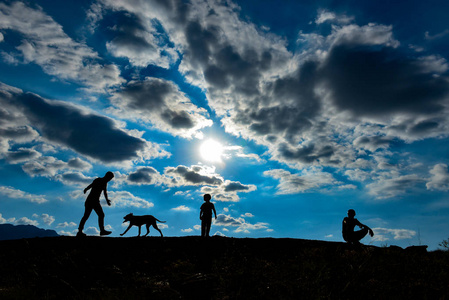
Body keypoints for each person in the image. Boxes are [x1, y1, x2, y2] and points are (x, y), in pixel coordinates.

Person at [77, 171, 114, 237]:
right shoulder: (98, 180)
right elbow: (91, 185)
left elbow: (105, 192)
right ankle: (101, 231)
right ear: (107, 176)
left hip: (93, 201)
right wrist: (86, 189)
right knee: (97, 215)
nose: (109, 180)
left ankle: (80, 231)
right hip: (92, 201)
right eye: (110, 178)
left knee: (91, 215)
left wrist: (107, 200)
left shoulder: (104, 182)